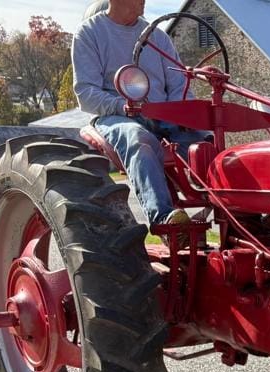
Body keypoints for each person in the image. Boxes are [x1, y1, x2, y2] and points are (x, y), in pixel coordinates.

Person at [72, 0, 205, 226]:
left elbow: (178, 84)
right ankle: (165, 219)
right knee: (138, 139)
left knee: (205, 142)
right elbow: (85, 92)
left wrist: (180, 114)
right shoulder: (90, 33)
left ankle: (243, 216)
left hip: (163, 116)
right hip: (118, 117)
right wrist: (121, 105)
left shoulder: (157, 37)